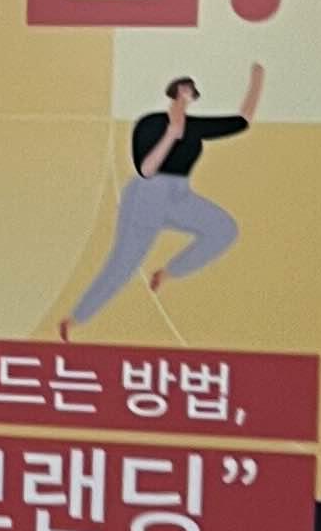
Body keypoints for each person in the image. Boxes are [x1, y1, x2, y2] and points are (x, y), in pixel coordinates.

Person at [62, 65, 264, 339]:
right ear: (175, 91)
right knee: (123, 264)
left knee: (224, 229)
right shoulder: (150, 123)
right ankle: (75, 319)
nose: (188, 94)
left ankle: (169, 272)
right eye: (184, 89)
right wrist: (171, 133)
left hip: (180, 195)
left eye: (191, 91)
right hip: (147, 195)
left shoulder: (194, 127)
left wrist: (257, 79)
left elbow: (243, 120)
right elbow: (146, 170)